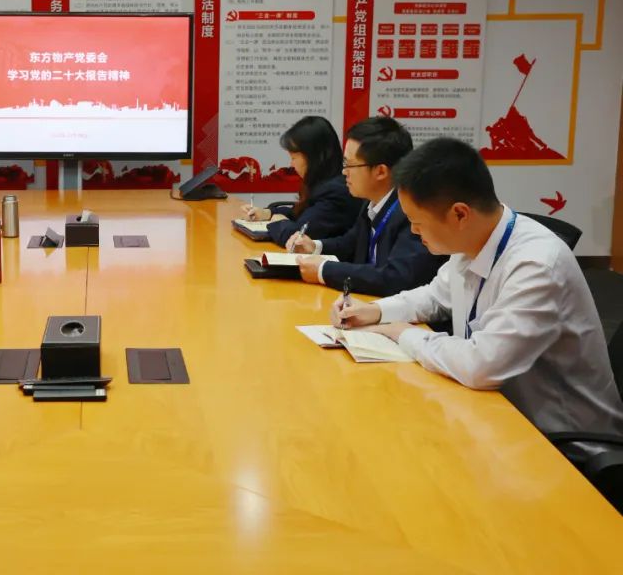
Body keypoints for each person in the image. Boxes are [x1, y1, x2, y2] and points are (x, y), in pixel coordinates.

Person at [333, 137, 623, 446]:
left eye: (417, 223)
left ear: (460, 214)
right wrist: (375, 311)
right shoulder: (472, 239)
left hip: (564, 442)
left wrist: (402, 332)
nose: (414, 232)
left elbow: (482, 365)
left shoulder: (537, 264)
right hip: (494, 414)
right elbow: (434, 296)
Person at [288, 117, 444, 295]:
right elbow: (350, 244)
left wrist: (323, 270)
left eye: (349, 164)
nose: (344, 171)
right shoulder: (372, 201)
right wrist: (314, 246)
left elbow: (396, 277)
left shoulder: (413, 212)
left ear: (380, 171)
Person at [241, 115, 360, 244]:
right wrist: (267, 213)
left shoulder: (336, 192)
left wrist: (279, 222)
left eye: (294, 158)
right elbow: (303, 213)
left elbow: (297, 236)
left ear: (313, 157)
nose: (291, 164)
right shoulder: (324, 182)